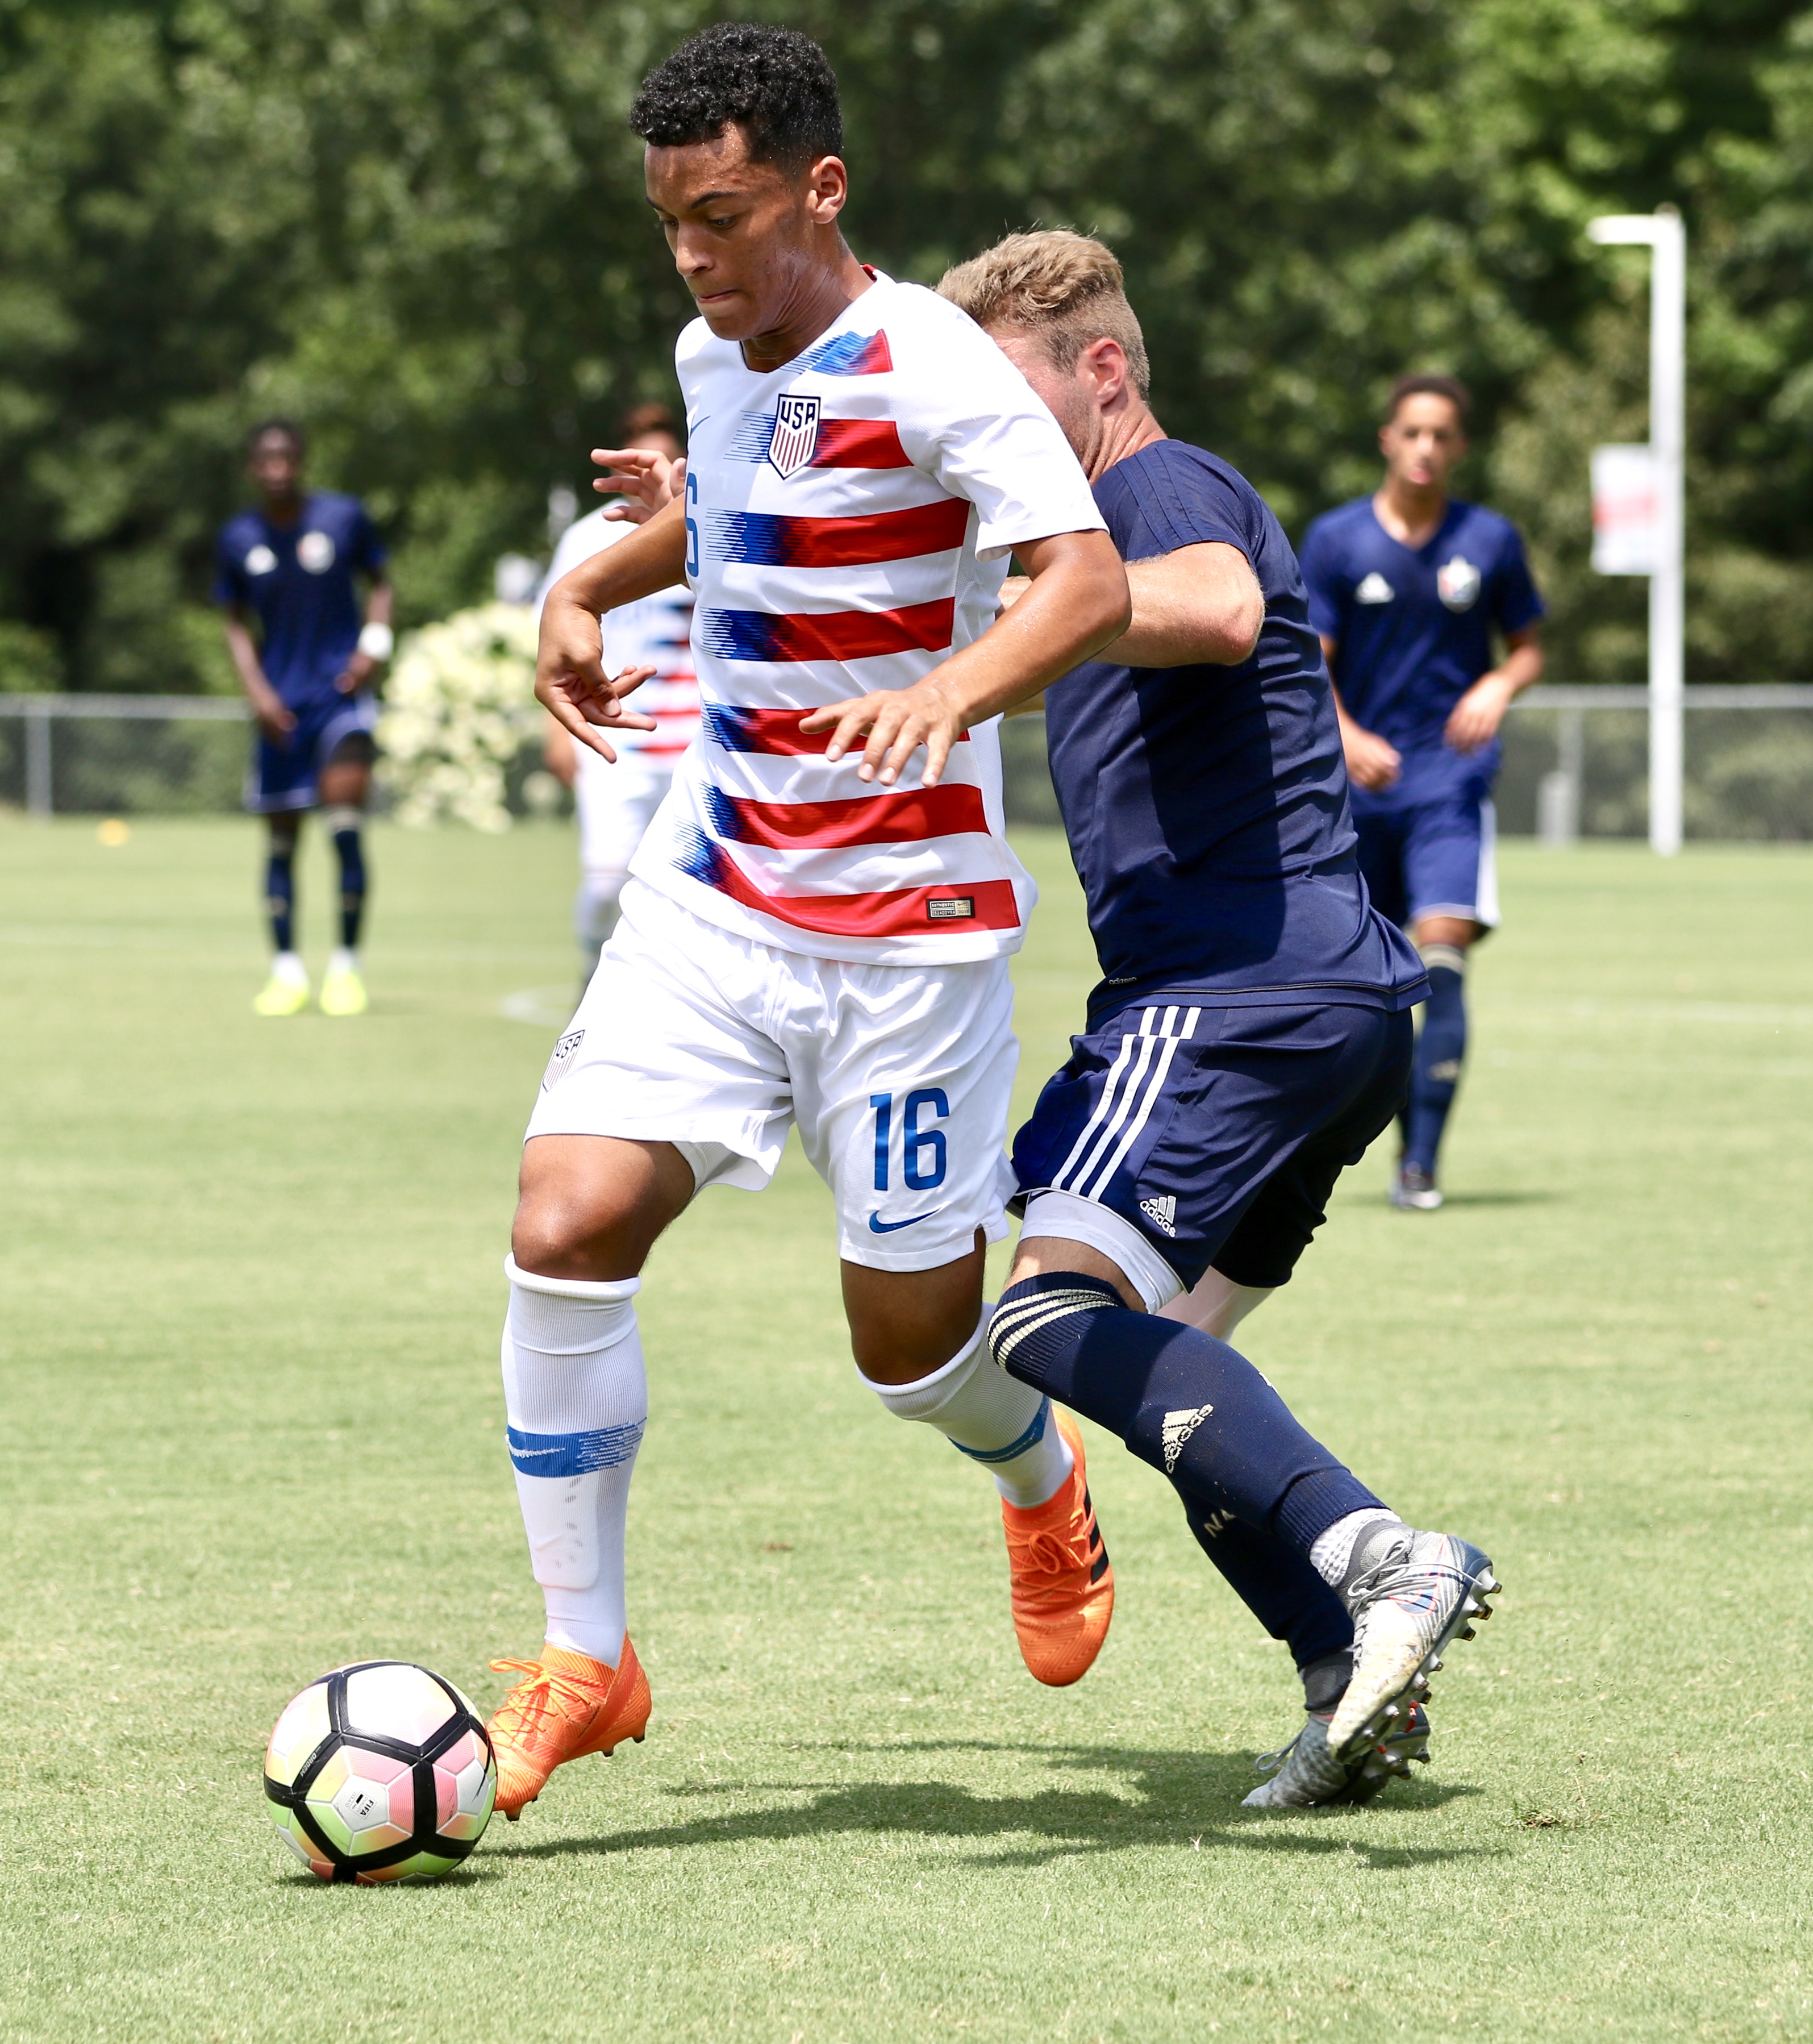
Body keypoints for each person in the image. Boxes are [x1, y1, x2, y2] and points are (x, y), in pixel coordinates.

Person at [489, 23, 1132, 1819]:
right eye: (669, 225)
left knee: (909, 1355)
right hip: (711, 896)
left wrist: (951, 690)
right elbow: (741, 518)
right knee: (562, 1219)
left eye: (723, 216)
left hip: (907, 941)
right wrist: (586, 585)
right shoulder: (713, 354)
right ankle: (586, 1655)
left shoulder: (932, 359)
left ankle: (1034, 1476)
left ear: (819, 188)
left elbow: (1079, 577)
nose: (692, 258)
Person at [826, 230, 1499, 1807]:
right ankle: (1343, 1679)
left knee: (1036, 1318)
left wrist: (1023, 634)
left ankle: (1378, 1556)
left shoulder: (1152, 489)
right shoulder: (1063, 549)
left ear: (1102, 370)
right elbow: (967, 618)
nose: (984, 431)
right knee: (1161, 1379)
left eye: (1009, 392)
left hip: (1227, 995)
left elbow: (1212, 604)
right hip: (1326, 1006)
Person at [1301, 378, 1545, 1209]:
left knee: (1442, 964)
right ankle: (1319, 1153)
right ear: (1387, 439)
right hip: (1358, 793)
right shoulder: (1336, 540)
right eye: (1412, 432)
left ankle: (1421, 1163)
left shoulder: (1489, 539)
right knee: (1371, 988)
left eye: (1441, 435)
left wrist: (1498, 685)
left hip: (1450, 784)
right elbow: (1309, 662)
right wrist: (1344, 732)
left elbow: (1527, 646)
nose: (1425, 448)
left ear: (1459, 448)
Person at [216, 419, 394, 1017]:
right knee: (281, 843)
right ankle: (286, 973)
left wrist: (373, 646)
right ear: (252, 468)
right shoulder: (239, 537)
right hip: (279, 708)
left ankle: (346, 968)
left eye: (286, 458)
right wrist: (257, 693)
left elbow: (382, 584)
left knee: (344, 826)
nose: (277, 470)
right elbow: (234, 622)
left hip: (340, 699)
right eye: (266, 460)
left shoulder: (343, 518)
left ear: (301, 461)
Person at [538, 404, 701, 982]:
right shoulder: (585, 538)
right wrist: (557, 732)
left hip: (696, 744)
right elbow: (552, 637)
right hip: (613, 741)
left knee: (692, 892)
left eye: (667, 460)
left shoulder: (707, 528)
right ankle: (593, 967)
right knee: (607, 883)